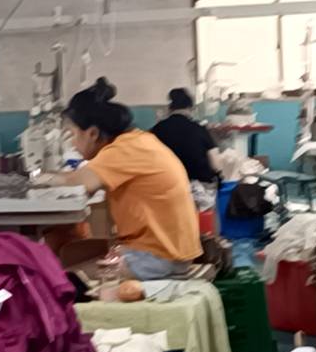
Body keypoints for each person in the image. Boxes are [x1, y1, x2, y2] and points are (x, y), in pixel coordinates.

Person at [36, 78, 202, 279]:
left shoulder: (122, 150)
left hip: (157, 258)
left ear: (92, 133)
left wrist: (37, 179)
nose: (72, 144)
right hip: (169, 252)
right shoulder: (137, 141)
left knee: (68, 278)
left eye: (72, 135)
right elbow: (77, 177)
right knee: (73, 257)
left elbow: (78, 183)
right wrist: (50, 177)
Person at [150, 89, 221, 212]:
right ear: (190, 109)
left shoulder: (156, 130)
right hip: (198, 189)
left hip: (167, 187)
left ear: (170, 108)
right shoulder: (199, 129)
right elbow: (215, 163)